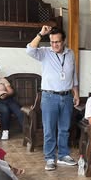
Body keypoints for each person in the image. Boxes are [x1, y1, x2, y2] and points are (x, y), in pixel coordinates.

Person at [27, 26, 80, 171]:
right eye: (52, 42)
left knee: (64, 128)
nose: (54, 45)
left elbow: (73, 75)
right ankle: (50, 158)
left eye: (57, 42)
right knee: (49, 129)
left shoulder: (70, 53)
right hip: (49, 97)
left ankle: (63, 155)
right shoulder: (45, 52)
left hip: (67, 96)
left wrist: (76, 93)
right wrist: (40, 34)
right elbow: (29, 50)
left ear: (64, 41)